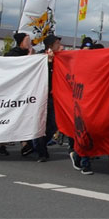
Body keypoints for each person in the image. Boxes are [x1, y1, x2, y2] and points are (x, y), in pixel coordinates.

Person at [35, 34, 62, 162]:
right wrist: (48, 62)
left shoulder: (60, 58)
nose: (60, 46)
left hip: (54, 96)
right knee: (42, 124)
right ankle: (41, 151)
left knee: (53, 124)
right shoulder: (40, 58)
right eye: (57, 43)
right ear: (51, 45)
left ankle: (40, 144)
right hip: (42, 96)